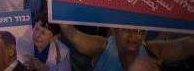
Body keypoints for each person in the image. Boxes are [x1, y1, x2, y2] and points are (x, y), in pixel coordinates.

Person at [57, 24, 194, 71]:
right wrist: (55, 1)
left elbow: (188, 45)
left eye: (139, 31)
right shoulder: (101, 47)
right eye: (126, 30)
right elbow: (70, 32)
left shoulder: (153, 50)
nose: (133, 35)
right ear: (114, 29)